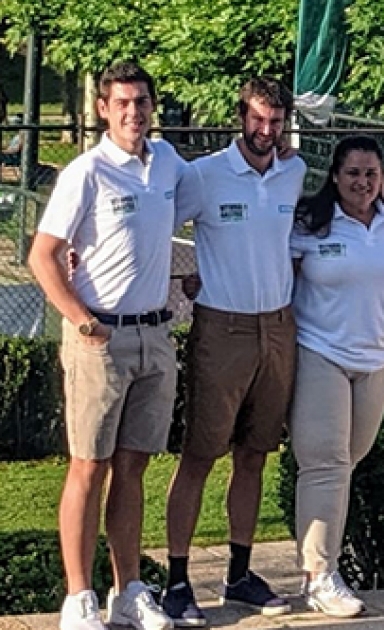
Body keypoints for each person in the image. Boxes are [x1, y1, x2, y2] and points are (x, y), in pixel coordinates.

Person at [28, 61, 180, 630]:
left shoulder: (166, 162)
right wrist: (81, 319)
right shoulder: (86, 172)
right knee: (87, 467)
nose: (133, 113)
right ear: (102, 108)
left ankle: (127, 589)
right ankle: (78, 597)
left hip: (155, 334)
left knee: (133, 466)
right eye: (121, 102)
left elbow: (193, 210)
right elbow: (43, 254)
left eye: (141, 102)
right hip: (101, 338)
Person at [162, 77, 306, 625]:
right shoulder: (204, 175)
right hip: (222, 330)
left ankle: (240, 574)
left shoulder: (293, 172)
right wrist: (186, 278)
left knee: (255, 453)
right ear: (240, 117)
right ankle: (177, 580)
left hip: (279, 327)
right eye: (258, 119)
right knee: (201, 453)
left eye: (276, 121)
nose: (266, 130)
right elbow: (157, 227)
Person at [290, 136, 384, 617]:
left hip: (379, 359)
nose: (362, 182)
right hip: (320, 351)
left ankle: (320, 564)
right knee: (325, 462)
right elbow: (279, 273)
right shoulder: (310, 222)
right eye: (353, 173)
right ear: (335, 177)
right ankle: (319, 574)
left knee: (350, 458)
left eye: (371, 173)